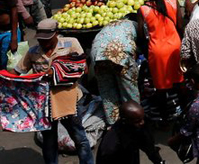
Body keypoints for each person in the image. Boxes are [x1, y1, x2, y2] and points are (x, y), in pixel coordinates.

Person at [18, 19, 94, 164]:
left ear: (56, 34)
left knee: (78, 136)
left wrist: (57, 72)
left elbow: (83, 69)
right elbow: (18, 71)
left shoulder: (71, 44)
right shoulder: (33, 51)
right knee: (49, 140)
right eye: (40, 40)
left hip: (69, 102)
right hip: (45, 104)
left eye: (47, 40)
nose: (43, 43)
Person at [137, 0, 183, 119]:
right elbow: (180, 26)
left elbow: (140, 34)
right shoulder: (173, 1)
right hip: (175, 46)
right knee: (179, 82)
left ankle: (164, 118)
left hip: (157, 51)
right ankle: (185, 114)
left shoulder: (143, 10)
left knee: (161, 87)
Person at [97, 101, 163, 164]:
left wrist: (159, 162)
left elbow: (149, 147)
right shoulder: (110, 145)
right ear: (124, 120)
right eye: (138, 121)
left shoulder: (139, 124)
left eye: (142, 118)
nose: (142, 122)